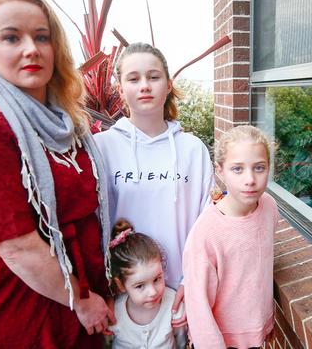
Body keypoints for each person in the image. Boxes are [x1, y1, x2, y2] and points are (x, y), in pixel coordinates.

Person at [0, 0, 113, 348]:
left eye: (41, 36)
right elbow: (15, 246)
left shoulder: (69, 122)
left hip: (80, 300)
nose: (31, 49)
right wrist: (81, 302)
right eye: (11, 37)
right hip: (22, 310)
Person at [94, 43, 215, 327]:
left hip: (178, 296)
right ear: (121, 90)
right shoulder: (102, 147)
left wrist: (192, 284)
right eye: (134, 79)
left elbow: (207, 224)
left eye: (154, 76)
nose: (145, 86)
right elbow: (92, 224)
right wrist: (106, 288)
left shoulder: (192, 150)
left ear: (168, 84)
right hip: (124, 298)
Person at [182, 125, 278, 349]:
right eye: (237, 169)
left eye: (259, 168)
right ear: (220, 170)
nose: (250, 179)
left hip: (256, 335)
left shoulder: (269, 207)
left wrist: (265, 324)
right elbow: (198, 307)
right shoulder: (206, 234)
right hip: (222, 340)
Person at [108, 219, 186, 349]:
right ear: (121, 285)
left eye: (157, 279)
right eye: (140, 286)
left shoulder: (173, 305)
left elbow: (183, 342)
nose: (153, 292)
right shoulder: (113, 312)